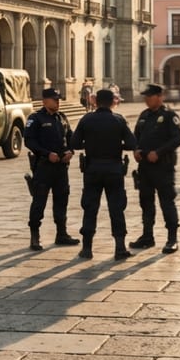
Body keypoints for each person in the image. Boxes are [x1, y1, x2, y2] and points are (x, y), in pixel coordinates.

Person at [70, 89, 137, 260]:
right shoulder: (118, 120)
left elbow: (75, 143)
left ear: (95, 101)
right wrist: (116, 145)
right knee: (117, 209)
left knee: (90, 208)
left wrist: (91, 143)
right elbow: (131, 143)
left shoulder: (87, 119)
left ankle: (87, 248)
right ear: (112, 102)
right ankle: (120, 248)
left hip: (92, 169)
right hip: (114, 169)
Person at [131, 84, 180, 253]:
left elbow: (177, 139)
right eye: (146, 96)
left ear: (160, 96)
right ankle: (147, 236)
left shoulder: (169, 116)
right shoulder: (144, 115)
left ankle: (172, 238)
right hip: (145, 168)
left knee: (166, 202)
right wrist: (136, 150)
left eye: (150, 96)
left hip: (163, 167)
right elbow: (136, 137)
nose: (146, 99)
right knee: (146, 202)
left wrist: (159, 153)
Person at [24, 88, 80, 251]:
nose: (58, 102)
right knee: (39, 202)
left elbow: (71, 137)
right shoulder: (36, 118)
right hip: (44, 167)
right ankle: (35, 236)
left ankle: (61, 234)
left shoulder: (62, 117)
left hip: (61, 168)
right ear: (45, 101)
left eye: (58, 99)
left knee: (62, 201)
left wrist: (71, 151)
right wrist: (47, 154)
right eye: (54, 99)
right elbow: (29, 141)